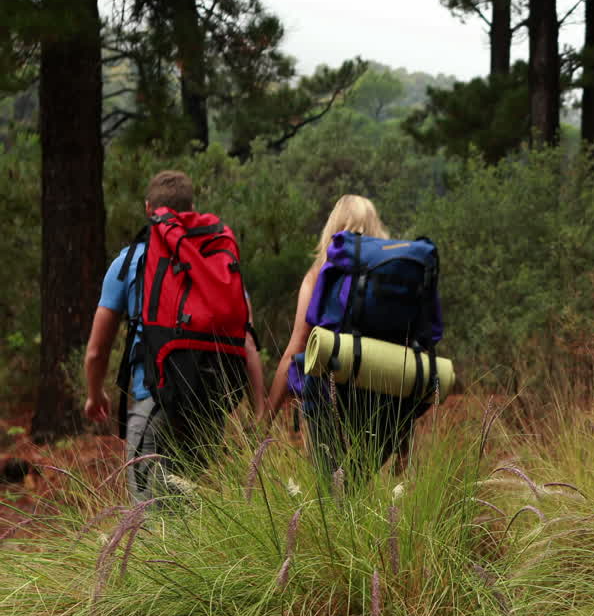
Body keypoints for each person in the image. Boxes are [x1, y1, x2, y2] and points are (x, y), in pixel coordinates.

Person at [83, 170, 266, 501]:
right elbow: (247, 340)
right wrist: (259, 409)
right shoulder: (216, 264)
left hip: (152, 401)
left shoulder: (129, 262)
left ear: (148, 208)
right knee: (187, 518)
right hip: (207, 407)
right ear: (192, 207)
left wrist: (94, 395)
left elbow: (97, 350)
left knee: (150, 523)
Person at [265, 195, 422, 484]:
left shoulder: (316, 277)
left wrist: (264, 422)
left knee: (333, 494)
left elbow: (294, 351)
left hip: (325, 400)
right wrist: (404, 437)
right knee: (356, 489)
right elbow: (405, 358)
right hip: (380, 405)